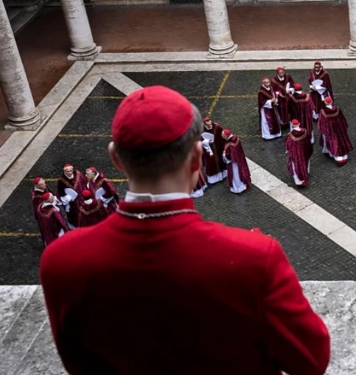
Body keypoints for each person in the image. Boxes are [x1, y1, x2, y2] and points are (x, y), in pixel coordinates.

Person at [39, 85, 330, 375]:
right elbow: (310, 360)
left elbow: (77, 363)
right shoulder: (254, 258)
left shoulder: (61, 261)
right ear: (197, 156)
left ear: (115, 158)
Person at [318, 97, 353, 165]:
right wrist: (344, 127)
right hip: (339, 128)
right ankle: (344, 156)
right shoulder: (337, 109)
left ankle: (337, 156)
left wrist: (322, 129)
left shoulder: (322, 112)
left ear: (325, 102)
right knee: (340, 141)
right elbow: (342, 118)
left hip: (329, 130)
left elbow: (321, 122)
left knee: (332, 142)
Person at [56, 164, 89, 228]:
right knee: (74, 216)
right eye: (68, 171)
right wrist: (68, 198)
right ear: (64, 172)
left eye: (71, 170)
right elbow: (61, 192)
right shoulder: (61, 180)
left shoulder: (78, 174)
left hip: (81, 198)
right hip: (72, 203)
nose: (70, 172)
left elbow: (84, 182)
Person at [222, 129, 252, 194]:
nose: (222, 136)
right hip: (240, 159)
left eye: (223, 135)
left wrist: (225, 155)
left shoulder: (231, 144)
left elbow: (231, 156)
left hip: (234, 163)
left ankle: (238, 188)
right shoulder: (235, 138)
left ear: (226, 136)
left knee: (236, 175)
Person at [286, 120, 313, 187]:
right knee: (305, 162)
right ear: (299, 124)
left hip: (295, 153)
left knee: (296, 166)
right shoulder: (305, 131)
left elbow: (288, 145)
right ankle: (306, 173)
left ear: (292, 125)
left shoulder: (290, 135)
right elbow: (308, 141)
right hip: (304, 151)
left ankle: (299, 181)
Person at [202, 117, 227, 184]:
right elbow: (199, 141)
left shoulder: (217, 127)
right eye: (207, 122)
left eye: (209, 121)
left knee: (221, 162)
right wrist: (207, 142)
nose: (209, 123)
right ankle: (213, 180)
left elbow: (222, 136)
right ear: (205, 123)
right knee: (211, 164)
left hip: (218, 149)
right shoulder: (201, 130)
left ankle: (223, 176)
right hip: (209, 151)